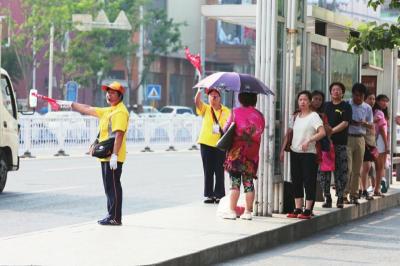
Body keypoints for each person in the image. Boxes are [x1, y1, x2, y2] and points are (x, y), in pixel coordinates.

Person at [57, 81, 129, 225]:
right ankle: (111, 215)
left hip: (113, 157)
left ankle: (115, 217)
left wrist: (114, 155)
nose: (109, 94)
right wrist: (70, 104)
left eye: (113, 92)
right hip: (106, 157)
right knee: (109, 187)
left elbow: (119, 135)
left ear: (120, 96)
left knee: (113, 186)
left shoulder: (120, 111)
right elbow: (87, 108)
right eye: (108, 92)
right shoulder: (109, 110)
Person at [221, 92, 265, 220]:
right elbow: (260, 130)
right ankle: (248, 212)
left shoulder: (234, 112)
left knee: (235, 183)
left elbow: (225, 129)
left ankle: (232, 211)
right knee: (248, 183)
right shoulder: (260, 115)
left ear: (240, 99)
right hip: (252, 154)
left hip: (236, 154)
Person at [284, 90, 325, 219]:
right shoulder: (296, 116)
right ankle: (297, 208)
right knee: (296, 180)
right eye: (300, 99)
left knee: (308, 180)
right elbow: (290, 133)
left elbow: (322, 132)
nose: (302, 102)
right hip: (295, 151)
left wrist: (309, 140)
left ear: (310, 102)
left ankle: (307, 209)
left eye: (305, 100)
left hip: (309, 153)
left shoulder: (314, 116)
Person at [195, 87, 231, 204]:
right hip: (206, 143)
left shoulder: (226, 111)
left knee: (219, 170)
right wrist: (199, 91)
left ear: (220, 98)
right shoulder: (206, 108)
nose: (213, 98)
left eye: (215, 96)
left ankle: (219, 195)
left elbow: (230, 127)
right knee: (208, 170)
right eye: (210, 96)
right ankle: (209, 195)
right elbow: (197, 102)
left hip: (220, 144)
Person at [319, 82, 352, 208]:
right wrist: (325, 132)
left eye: (338, 90)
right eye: (333, 90)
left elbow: (345, 123)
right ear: (330, 92)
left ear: (342, 92)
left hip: (340, 144)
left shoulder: (346, 106)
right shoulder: (325, 106)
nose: (336, 92)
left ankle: (340, 197)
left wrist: (331, 131)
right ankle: (327, 197)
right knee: (324, 172)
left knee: (341, 171)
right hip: (326, 145)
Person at [345, 83, 373, 205]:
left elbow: (371, 125)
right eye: (356, 95)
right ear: (353, 94)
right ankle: (343, 194)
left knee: (357, 169)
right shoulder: (346, 104)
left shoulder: (367, 108)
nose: (358, 98)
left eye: (361, 96)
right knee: (348, 168)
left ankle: (354, 194)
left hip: (361, 138)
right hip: (348, 137)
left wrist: (364, 123)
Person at [373, 94, 390, 197]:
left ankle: (375, 187)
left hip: (376, 140)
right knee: (380, 167)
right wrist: (386, 144)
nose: (385, 103)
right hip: (380, 141)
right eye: (382, 101)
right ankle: (377, 189)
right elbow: (383, 131)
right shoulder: (379, 113)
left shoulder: (377, 112)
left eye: (386, 101)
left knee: (375, 167)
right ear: (377, 102)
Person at [360, 91, 376, 200]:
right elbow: (364, 125)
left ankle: (362, 189)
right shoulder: (362, 110)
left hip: (370, 143)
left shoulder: (371, 111)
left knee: (367, 167)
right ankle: (362, 189)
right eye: (370, 98)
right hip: (363, 142)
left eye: (374, 99)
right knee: (365, 167)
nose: (372, 101)